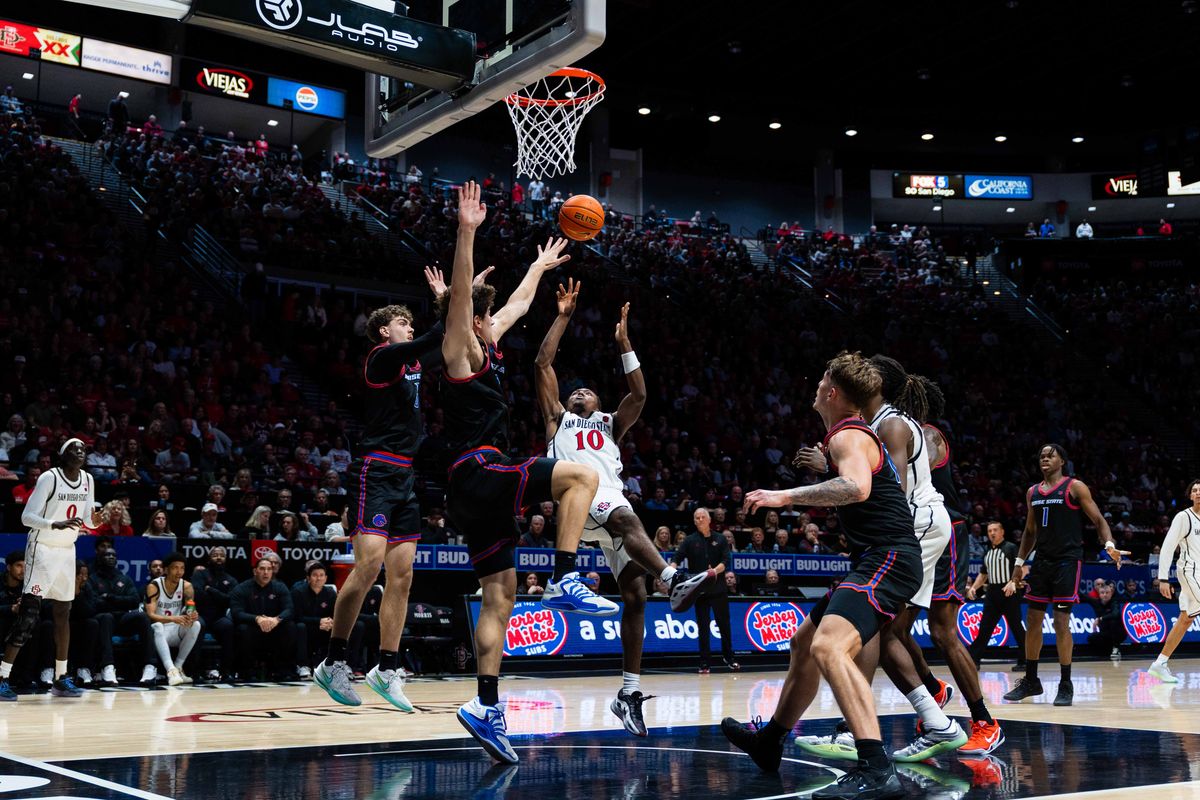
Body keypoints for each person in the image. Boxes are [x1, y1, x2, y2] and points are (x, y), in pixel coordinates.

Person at [440, 182, 612, 764]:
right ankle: (567, 576)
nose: (497, 321)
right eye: (486, 316)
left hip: (475, 488)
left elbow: (514, 303)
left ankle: (486, 707)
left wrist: (538, 266)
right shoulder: (461, 349)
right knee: (580, 477)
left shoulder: (490, 339)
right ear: (472, 320)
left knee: (501, 595)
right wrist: (467, 233)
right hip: (478, 468)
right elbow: (465, 297)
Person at [721, 353, 924, 799]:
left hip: (889, 557)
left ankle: (876, 768)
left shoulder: (847, 434)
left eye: (821, 381)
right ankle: (769, 742)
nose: (815, 385)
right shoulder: (849, 434)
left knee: (829, 647)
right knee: (804, 645)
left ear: (832, 392)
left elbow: (856, 488)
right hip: (877, 557)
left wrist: (783, 496)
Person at [534, 279, 713, 735]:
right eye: (574, 392)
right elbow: (542, 363)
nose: (579, 393)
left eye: (587, 392)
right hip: (583, 499)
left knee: (634, 597)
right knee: (627, 515)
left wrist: (625, 344)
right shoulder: (558, 418)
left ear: (599, 401)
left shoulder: (612, 424)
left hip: (607, 502)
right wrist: (563, 316)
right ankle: (672, 578)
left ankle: (628, 693)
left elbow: (639, 395)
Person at [795, 359, 976, 761]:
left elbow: (884, 488)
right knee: (884, 629)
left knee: (875, 626)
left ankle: (857, 730)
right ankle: (934, 714)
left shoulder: (890, 426)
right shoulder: (872, 426)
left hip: (917, 528)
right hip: (906, 533)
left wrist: (817, 476)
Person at [315, 270, 466, 712]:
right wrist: (443, 300)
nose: (410, 328)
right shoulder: (382, 357)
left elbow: (449, 341)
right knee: (370, 566)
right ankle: (334, 661)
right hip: (374, 471)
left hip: (405, 476)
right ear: (385, 330)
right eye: (404, 323)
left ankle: (386, 667)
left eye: (410, 324)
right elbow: (434, 335)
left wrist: (458, 309)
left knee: (402, 576)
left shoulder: (414, 364)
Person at [1003, 444, 1127, 706]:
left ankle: (1065, 683)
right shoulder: (1032, 492)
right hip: (1042, 562)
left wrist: (1109, 545)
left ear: (1062, 461)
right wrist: (1018, 563)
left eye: (1051, 455)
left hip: (1067, 562)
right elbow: (1029, 532)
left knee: (1061, 622)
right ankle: (1031, 681)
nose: (1045, 458)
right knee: (1033, 621)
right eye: (1041, 456)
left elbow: (1099, 520)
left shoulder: (1075, 487)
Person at [0, 439, 100, 700]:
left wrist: (97, 518)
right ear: (62, 454)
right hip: (43, 548)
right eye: (74, 448)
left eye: (83, 449)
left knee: (63, 613)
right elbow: (26, 517)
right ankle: (2, 676)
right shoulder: (49, 477)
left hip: (67, 550)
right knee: (29, 614)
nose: (80, 451)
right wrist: (56, 524)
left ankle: (61, 677)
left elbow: (88, 519)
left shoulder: (88, 479)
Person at [1148, 479, 1200, 682]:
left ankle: (1160, 663)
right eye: (1194, 490)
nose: (1198, 493)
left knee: (1186, 619)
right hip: (1189, 571)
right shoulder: (1184, 517)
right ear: (1190, 496)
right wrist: (1163, 578)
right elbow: (1168, 547)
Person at [672, 508, 736, 674]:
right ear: (694, 521)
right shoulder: (690, 540)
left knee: (724, 626)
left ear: (709, 520)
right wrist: (670, 570)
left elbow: (726, 561)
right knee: (703, 628)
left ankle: (729, 658)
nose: (700, 520)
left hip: (719, 589)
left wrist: (714, 571)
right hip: (699, 592)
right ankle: (704, 663)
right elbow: (676, 558)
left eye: (702, 517)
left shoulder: (720, 539)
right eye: (697, 518)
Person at [90, 537, 157, 686]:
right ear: (100, 558)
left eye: (113, 555)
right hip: (105, 621)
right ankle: (107, 667)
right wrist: (119, 601)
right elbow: (95, 603)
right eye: (107, 555)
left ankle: (149, 666)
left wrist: (110, 597)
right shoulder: (93, 578)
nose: (111, 557)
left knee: (142, 617)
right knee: (106, 617)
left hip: (122, 619)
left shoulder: (124, 578)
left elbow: (134, 600)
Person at [230, 558, 303, 680]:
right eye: (262, 569)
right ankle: (248, 670)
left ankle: (282, 669)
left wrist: (276, 620)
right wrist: (257, 619)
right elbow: (236, 612)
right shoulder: (242, 588)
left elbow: (289, 609)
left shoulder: (280, 587)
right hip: (253, 627)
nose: (266, 572)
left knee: (290, 626)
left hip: (274, 627)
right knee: (243, 629)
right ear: (255, 571)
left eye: (269, 569)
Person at [966, 522, 1026, 670]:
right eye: (990, 531)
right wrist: (974, 587)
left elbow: (1023, 569)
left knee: (1017, 628)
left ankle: (1026, 660)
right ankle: (973, 660)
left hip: (1009, 591)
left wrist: (1013, 581)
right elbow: (984, 574)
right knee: (985, 628)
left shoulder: (1011, 548)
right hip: (992, 593)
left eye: (995, 530)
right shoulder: (988, 552)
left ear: (1002, 531)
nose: (992, 533)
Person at [143, 553, 201, 686]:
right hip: (158, 631)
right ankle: (170, 671)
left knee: (196, 624)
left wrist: (192, 614)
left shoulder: (187, 586)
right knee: (157, 625)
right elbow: (150, 614)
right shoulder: (154, 586)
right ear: (166, 569)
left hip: (176, 629)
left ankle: (178, 667)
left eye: (182, 568)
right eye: (175, 568)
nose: (179, 572)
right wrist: (173, 618)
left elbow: (189, 607)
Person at [296, 562, 363, 674]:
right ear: (308, 578)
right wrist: (318, 622)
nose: (318, 578)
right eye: (315, 575)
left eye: (321, 575)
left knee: (352, 626)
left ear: (326, 578)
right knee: (299, 627)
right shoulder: (299, 592)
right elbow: (297, 616)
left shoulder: (330, 593)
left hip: (327, 628)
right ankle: (303, 665)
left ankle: (344, 663)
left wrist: (331, 622)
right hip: (309, 628)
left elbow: (336, 613)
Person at [190, 546, 238, 681]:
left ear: (226, 559)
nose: (218, 557)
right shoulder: (200, 574)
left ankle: (226, 671)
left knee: (228, 626)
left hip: (218, 617)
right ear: (209, 558)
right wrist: (220, 596)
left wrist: (210, 590)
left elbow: (230, 601)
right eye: (215, 555)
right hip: (201, 614)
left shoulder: (231, 579)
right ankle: (194, 671)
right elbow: (197, 594)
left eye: (222, 555)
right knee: (197, 625)